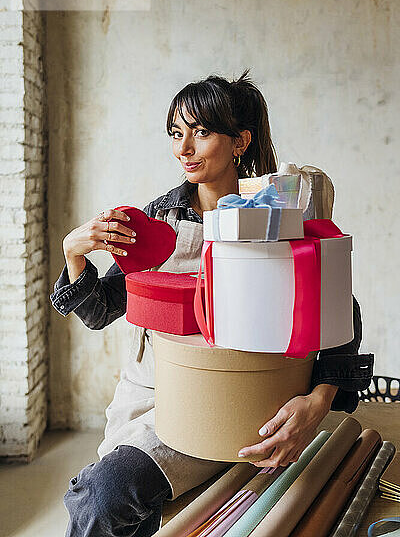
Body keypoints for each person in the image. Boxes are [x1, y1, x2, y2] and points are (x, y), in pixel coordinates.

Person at [50, 69, 373, 537]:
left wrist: (318, 399)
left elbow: (340, 311)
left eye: (201, 133)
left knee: (108, 497)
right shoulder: (161, 219)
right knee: (101, 499)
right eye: (176, 134)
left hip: (250, 400)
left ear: (240, 142)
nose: (183, 149)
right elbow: (100, 311)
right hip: (156, 402)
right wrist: (74, 253)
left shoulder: (281, 213)